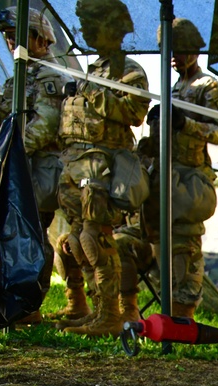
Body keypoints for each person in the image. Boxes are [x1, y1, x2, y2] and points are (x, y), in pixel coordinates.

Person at [117, 17, 218, 323]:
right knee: (124, 244)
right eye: (169, 50)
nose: (174, 56)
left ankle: (182, 319)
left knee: (184, 249)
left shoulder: (208, 87)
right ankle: (127, 313)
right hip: (159, 179)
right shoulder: (172, 87)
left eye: (179, 50)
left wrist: (185, 123)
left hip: (188, 182)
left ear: (194, 50)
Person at [55, 0, 149, 337]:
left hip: (102, 168)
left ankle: (112, 315)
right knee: (78, 239)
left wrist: (92, 96)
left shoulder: (129, 69)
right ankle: (98, 311)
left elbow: (135, 112)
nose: (89, 30)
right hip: (77, 165)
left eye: (95, 23)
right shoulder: (93, 69)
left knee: (96, 237)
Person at [0, 7, 69, 323]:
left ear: (41, 39)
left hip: (38, 170)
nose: (11, 42)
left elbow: (45, 125)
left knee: (34, 233)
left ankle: (31, 306)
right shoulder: (20, 76)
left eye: (17, 36)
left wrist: (8, 151)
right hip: (18, 168)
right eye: (8, 37)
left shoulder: (50, 77)